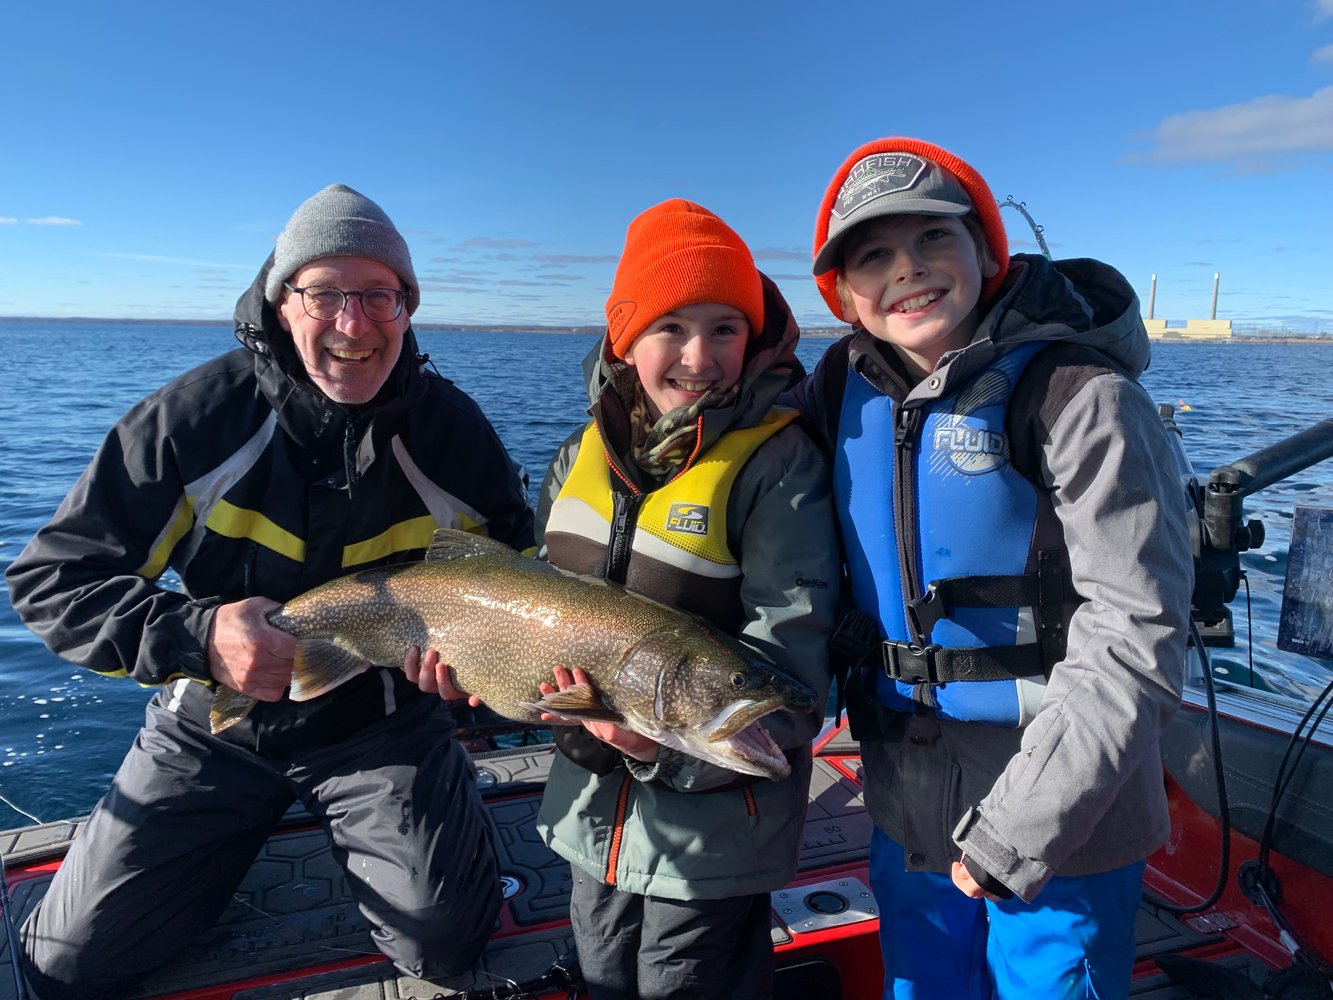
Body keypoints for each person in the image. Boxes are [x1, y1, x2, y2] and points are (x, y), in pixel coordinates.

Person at [5, 183, 536, 999]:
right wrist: (199, 634)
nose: (353, 324)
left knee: (444, 945)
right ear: (280, 301)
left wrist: (476, 683)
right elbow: (52, 580)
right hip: (213, 731)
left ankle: (438, 798)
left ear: (406, 308)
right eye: (324, 293)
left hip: (383, 731)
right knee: (70, 963)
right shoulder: (193, 419)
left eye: (379, 296)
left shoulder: (453, 435)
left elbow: (517, 586)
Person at [788, 139, 1194, 999]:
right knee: (921, 982)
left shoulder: (1080, 395)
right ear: (843, 293)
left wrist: (1020, 830)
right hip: (906, 786)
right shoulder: (836, 387)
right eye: (872, 254)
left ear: (983, 248)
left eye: (933, 237)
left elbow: (1138, 631)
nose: (907, 270)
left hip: (1062, 809)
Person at [513, 198, 839, 1000]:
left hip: (717, 826)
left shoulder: (777, 466)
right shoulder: (574, 455)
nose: (699, 356)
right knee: (602, 971)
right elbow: (525, 601)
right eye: (671, 327)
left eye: (725, 328)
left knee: (681, 982)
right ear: (626, 337)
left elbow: (793, 682)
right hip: (592, 808)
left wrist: (653, 747)